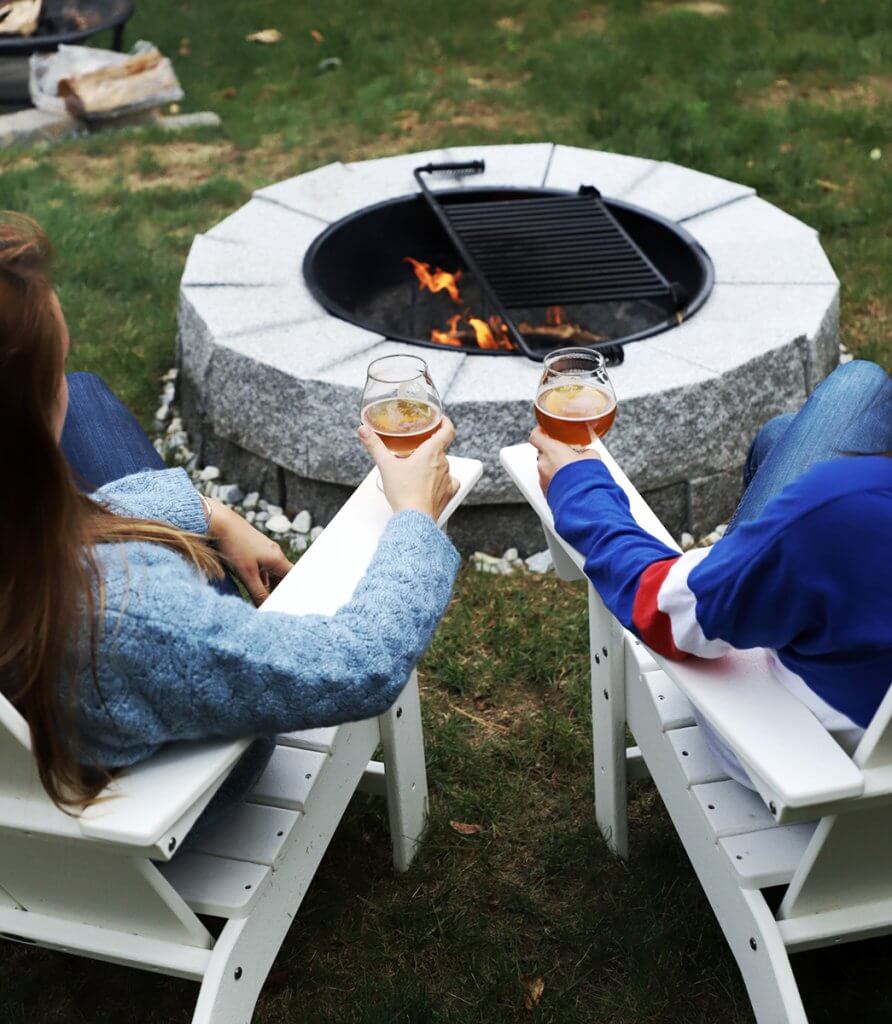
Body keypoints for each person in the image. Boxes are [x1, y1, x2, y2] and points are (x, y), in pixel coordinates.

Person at [0, 211, 459, 824]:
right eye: (52, 368)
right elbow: (359, 664)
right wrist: (414, 518)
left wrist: (205, 513)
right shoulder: (126, 612)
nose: (59, 381)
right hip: (167, 790)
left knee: (84, 396)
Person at [531, 358, 892, 787]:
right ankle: (749, 560)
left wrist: (579, 483)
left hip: (805, 753)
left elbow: (659, 606)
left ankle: (741, 566)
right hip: (871, 715)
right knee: (781, 435)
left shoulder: (842, 506)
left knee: (860, 381)